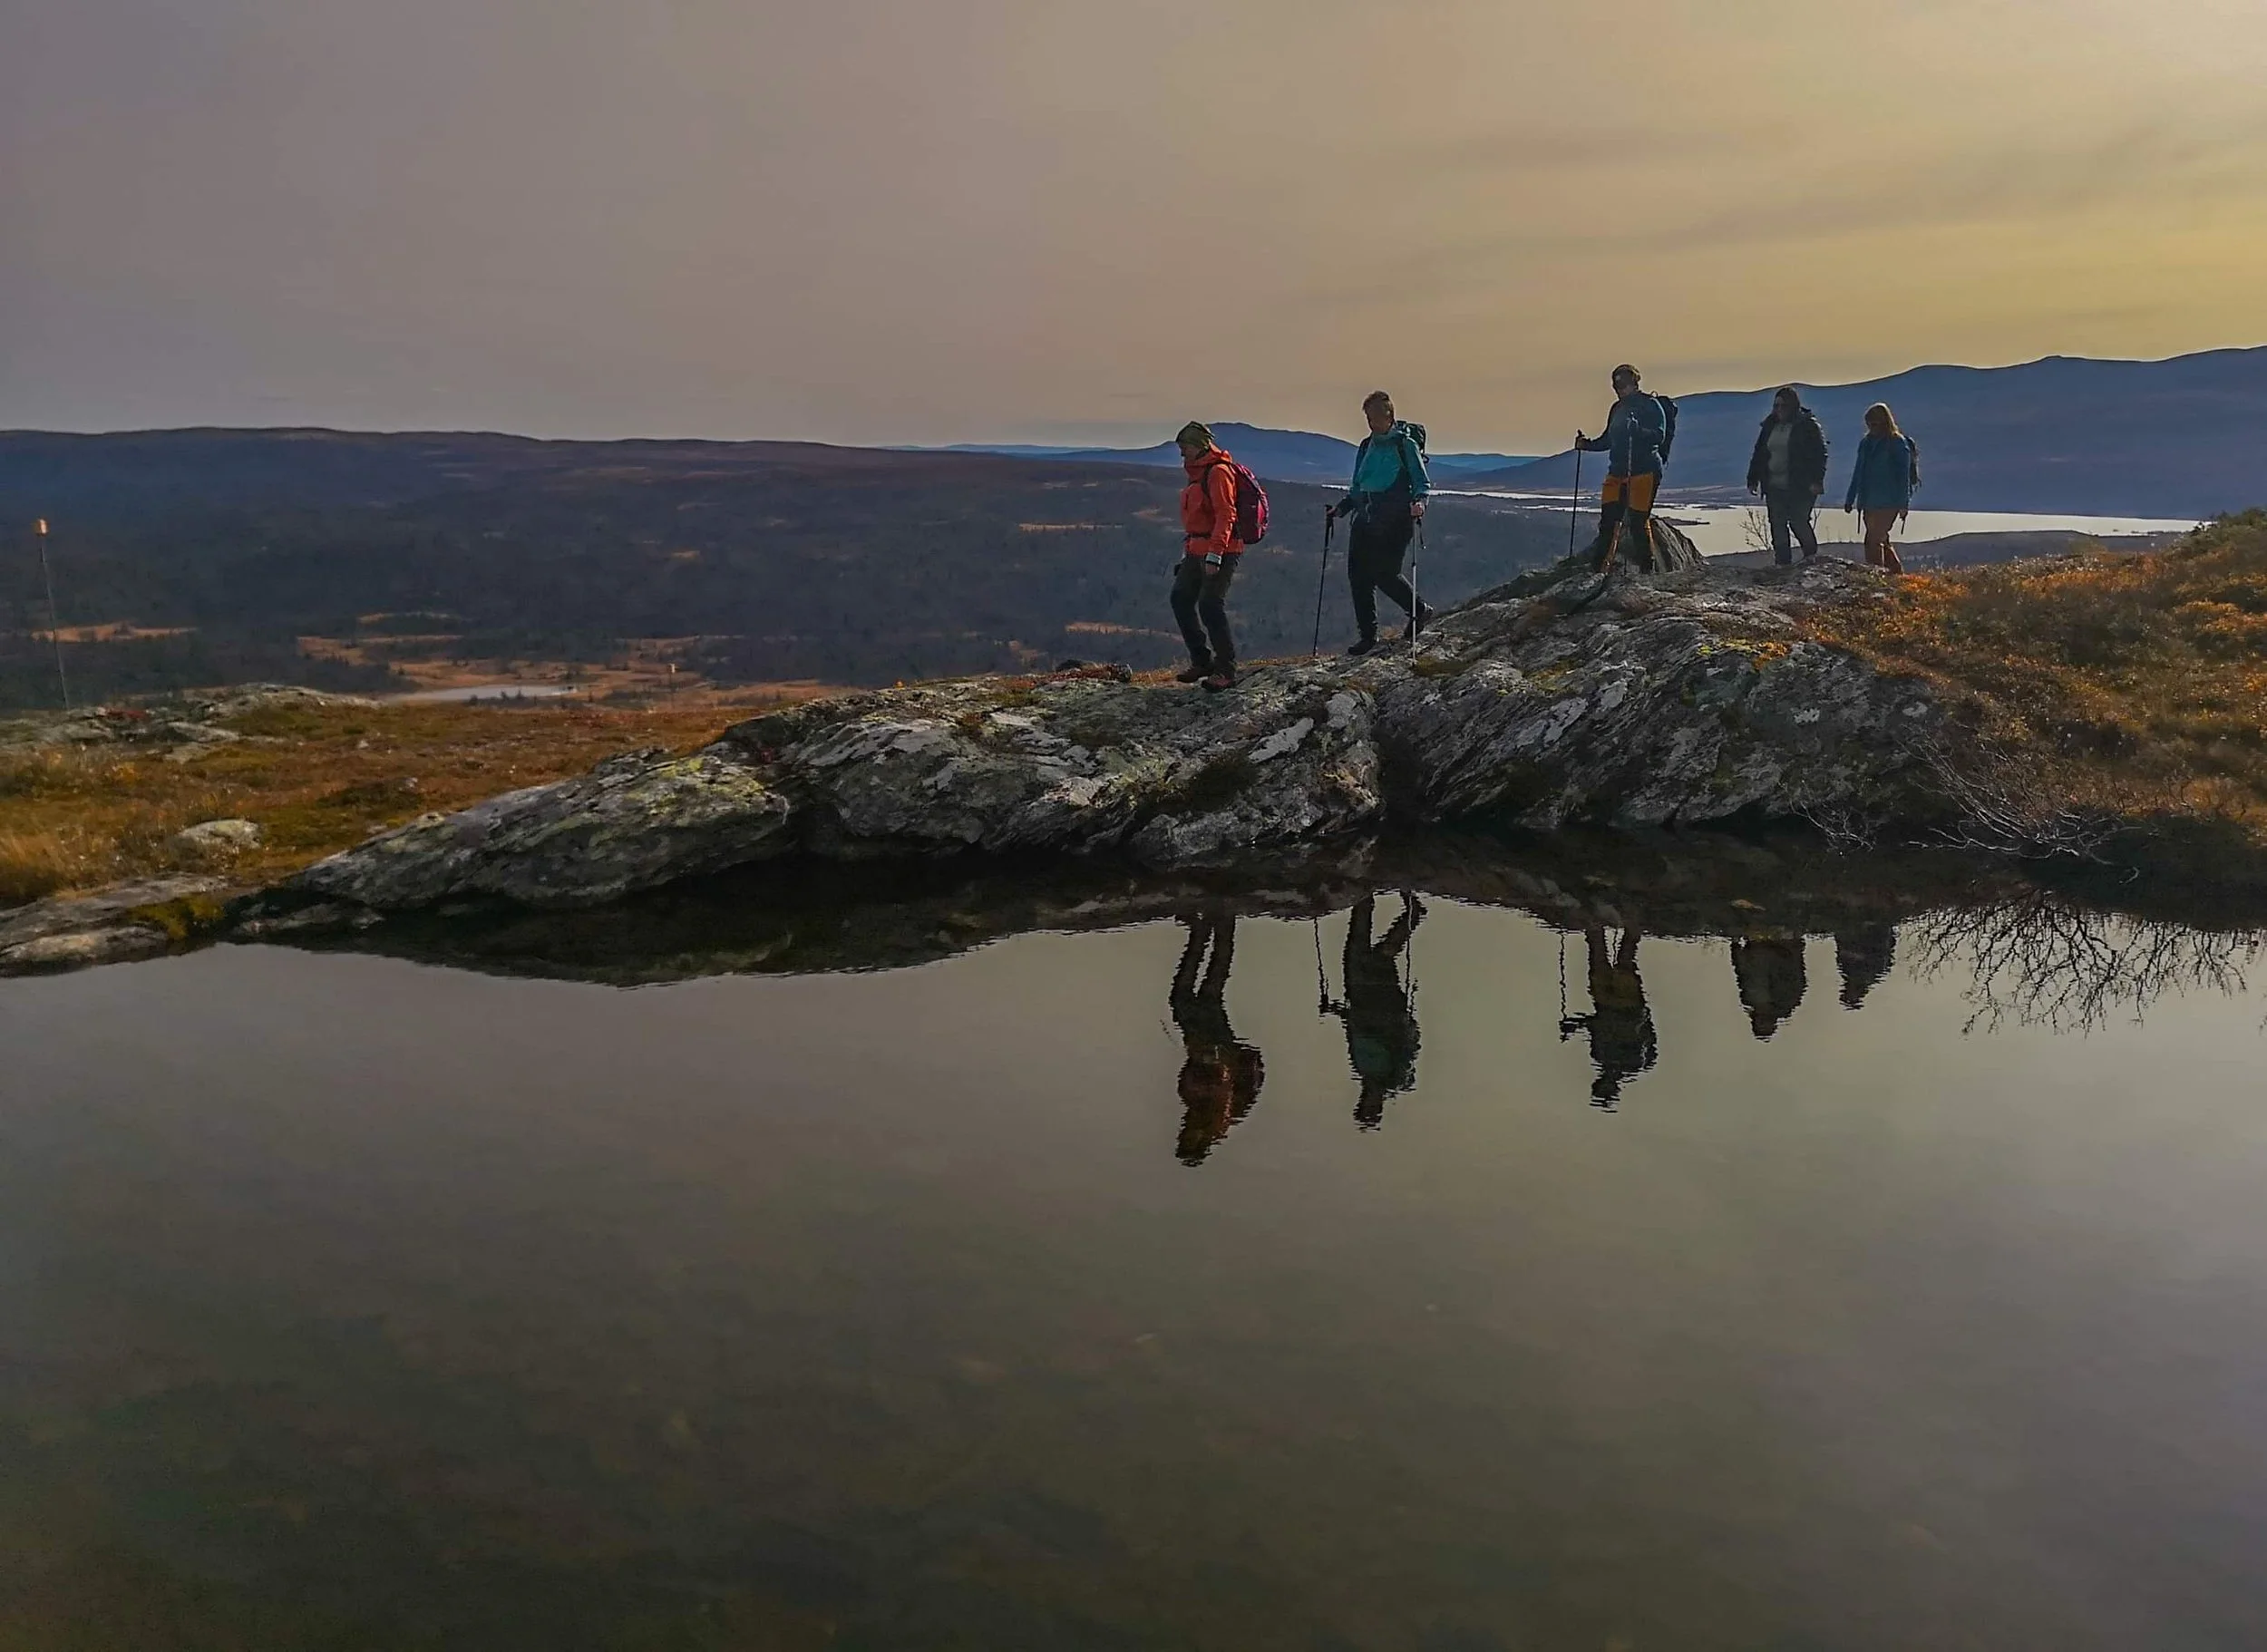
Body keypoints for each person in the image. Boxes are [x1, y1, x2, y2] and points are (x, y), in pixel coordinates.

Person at [1328, 392, 1435, 655]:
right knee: (1358, 577)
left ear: (1389, 416)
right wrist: (1341, 508)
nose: (1371, 423)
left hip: (1396, 520)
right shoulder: (1367, 446)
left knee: (1385, 573)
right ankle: (1368, 636)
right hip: (1365, 517)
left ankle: (1418, 610)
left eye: (1375, 417)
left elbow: (1422, 482)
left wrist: (1420, 502)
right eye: (1368, 417)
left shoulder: (1404, 445)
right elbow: (1358, 485)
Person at [1169, 911, 1265, 1164]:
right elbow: (1221, 1083)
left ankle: (1204, 931)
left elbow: (1191, 1078)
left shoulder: (1198, 1112)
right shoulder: (1217, 1120)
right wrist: (1206, 1057)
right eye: (1189, 1140)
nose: (1185, 1133)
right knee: (1208, 992)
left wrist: (1194, 1056)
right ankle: (1221, 926)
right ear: (1200, 1142)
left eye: (1183, 1138)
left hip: (1204, 1046)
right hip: (1217, 1048)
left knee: (1189, 995)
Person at [1324, 892, 1424, 1129]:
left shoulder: (1362, 1068)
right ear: (1378, 1103)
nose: (1366, 1098)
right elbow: (1378, 1033)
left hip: (1360, 995)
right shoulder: (1394, 1072)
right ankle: (1409, 915)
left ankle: (1365, 897)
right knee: (1379, 957)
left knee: (1359, 948)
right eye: (1369, 1103)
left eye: (1363, 1102)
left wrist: (1334, 1010)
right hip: (1381, 1000)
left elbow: (1355, 1028)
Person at [1170, 421, 1243, 691]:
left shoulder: (1218, 473)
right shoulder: (1197, 473)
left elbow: (1226, 515)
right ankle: (1202, 660)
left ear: (1199, 447)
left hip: (1221, 549)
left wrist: (1215, 555)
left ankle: (1226, 669)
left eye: (1185, 447)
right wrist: (1189, 554)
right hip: (1196, 549)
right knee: (1180, 599)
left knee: (1211, 606)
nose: (1182, 454)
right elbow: (1197, 521)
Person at [1576, 364, 1669, 571]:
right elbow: (1608, 439)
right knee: (1608, 522)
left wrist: (1637, 431)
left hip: (1644, 472)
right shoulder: (1617, 409)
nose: (1620, 390)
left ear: (1635, 383)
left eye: (1624, 385)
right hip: (1618, 472)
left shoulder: (1651, 405)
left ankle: (1647, 569)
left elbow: (1658, 436)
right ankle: (1598, 569)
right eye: (1617, 386)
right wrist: (1587, 445)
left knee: (1637, 522)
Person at [1559, 926, 1658, 1110]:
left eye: (1600, 1083)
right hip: (1626, 1006)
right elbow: (1612, 1027)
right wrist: (1576, 1025)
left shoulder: (1600, 1056)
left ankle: (1599, 918)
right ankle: (1632, 919)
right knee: (1624, 961)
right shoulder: (1633, 1063)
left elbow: (1598, 1027)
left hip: (1606, 1004)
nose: (1604, 1079)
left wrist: (1576, 1025)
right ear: (1614, 1087)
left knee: (1601, 955)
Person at [1746, 386, 1829, 565]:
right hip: (1774, 484)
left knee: (1798, 521)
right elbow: (1760, 453)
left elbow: (1820, 455)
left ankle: (1810, 557)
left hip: (1800, 485)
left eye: (1783, 406)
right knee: (1777, 523)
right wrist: (1753, 479)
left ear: (1793, 406)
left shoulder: (1808, 426)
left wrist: (1817, 480)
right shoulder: (1769, 425)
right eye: (1776, 406)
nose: (1779, 410)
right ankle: (1782, 563)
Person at [1843, 402, 1922, 575]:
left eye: (1875, 424)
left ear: (1884, 422)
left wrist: (1903, 504)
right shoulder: (1866, 443)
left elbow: (1903, 477)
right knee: (1881, 539)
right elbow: (1858, 472)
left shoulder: (1897, 443)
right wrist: (1850, 499)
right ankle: (1896, 575)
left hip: (1889, 502)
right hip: (1869, 500)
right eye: (1869, 424)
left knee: (1872, 540)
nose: (1871, 427)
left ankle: (1876, 576)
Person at [1731, 933, 1808, 1040]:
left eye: (1760, 1025)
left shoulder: (1749, 999)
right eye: (1765, 1026)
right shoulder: (1787, 1000)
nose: (1762, 1022)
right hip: (1781, 941)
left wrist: (1735, 945)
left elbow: (1741, 972)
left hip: (1766, 942)